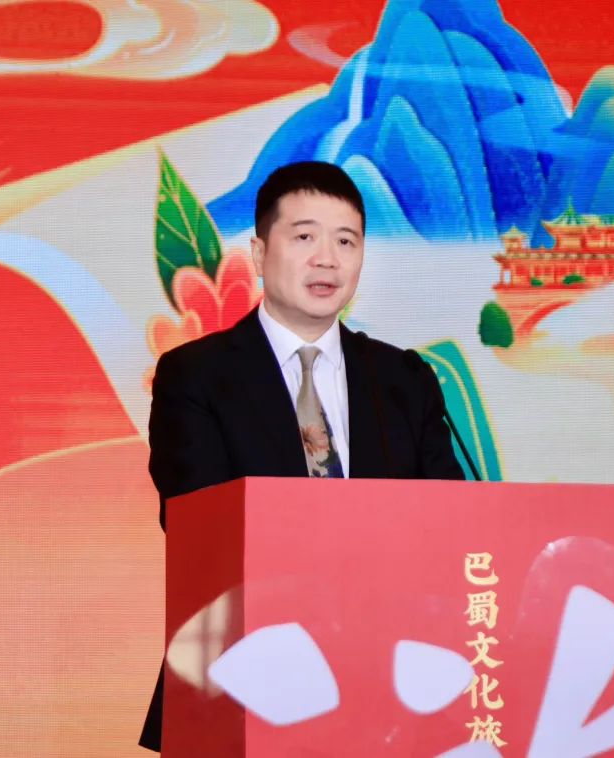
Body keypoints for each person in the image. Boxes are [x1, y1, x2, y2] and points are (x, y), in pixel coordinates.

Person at [138, 160, 465, 751]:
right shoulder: (196, 376)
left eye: (346, 242)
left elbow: (451, 520)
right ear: (260, 253)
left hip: (390, 686)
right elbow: (197, 524)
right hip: (242, 678)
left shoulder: (404, 379)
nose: (327, 259)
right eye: (305, 237)